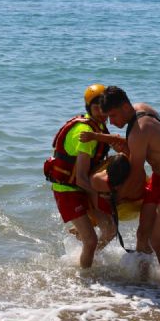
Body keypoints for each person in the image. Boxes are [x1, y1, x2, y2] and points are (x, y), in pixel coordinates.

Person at [96, 86, 160, 281]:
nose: (112, 123)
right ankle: (143, 280)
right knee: (142, 234)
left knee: (158, 242)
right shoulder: (143, 108)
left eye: (113, 116)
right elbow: (156, 135)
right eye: (108, 118)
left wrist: (117, 198)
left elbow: (135, 174)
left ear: (125, 107)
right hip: (158, 178)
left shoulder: (138, 132)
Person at [43, 84, 116, 268]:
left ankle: (88, 256)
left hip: (84, 186)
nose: (101, 111)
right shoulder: (85, 135)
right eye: (96, 107)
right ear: (88, 108)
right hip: (67, 189)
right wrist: (104, 195)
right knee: (90, 241)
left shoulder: (99, 127)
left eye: (104, 107)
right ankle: (85, 280)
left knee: (110, 231)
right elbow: (82, 178)